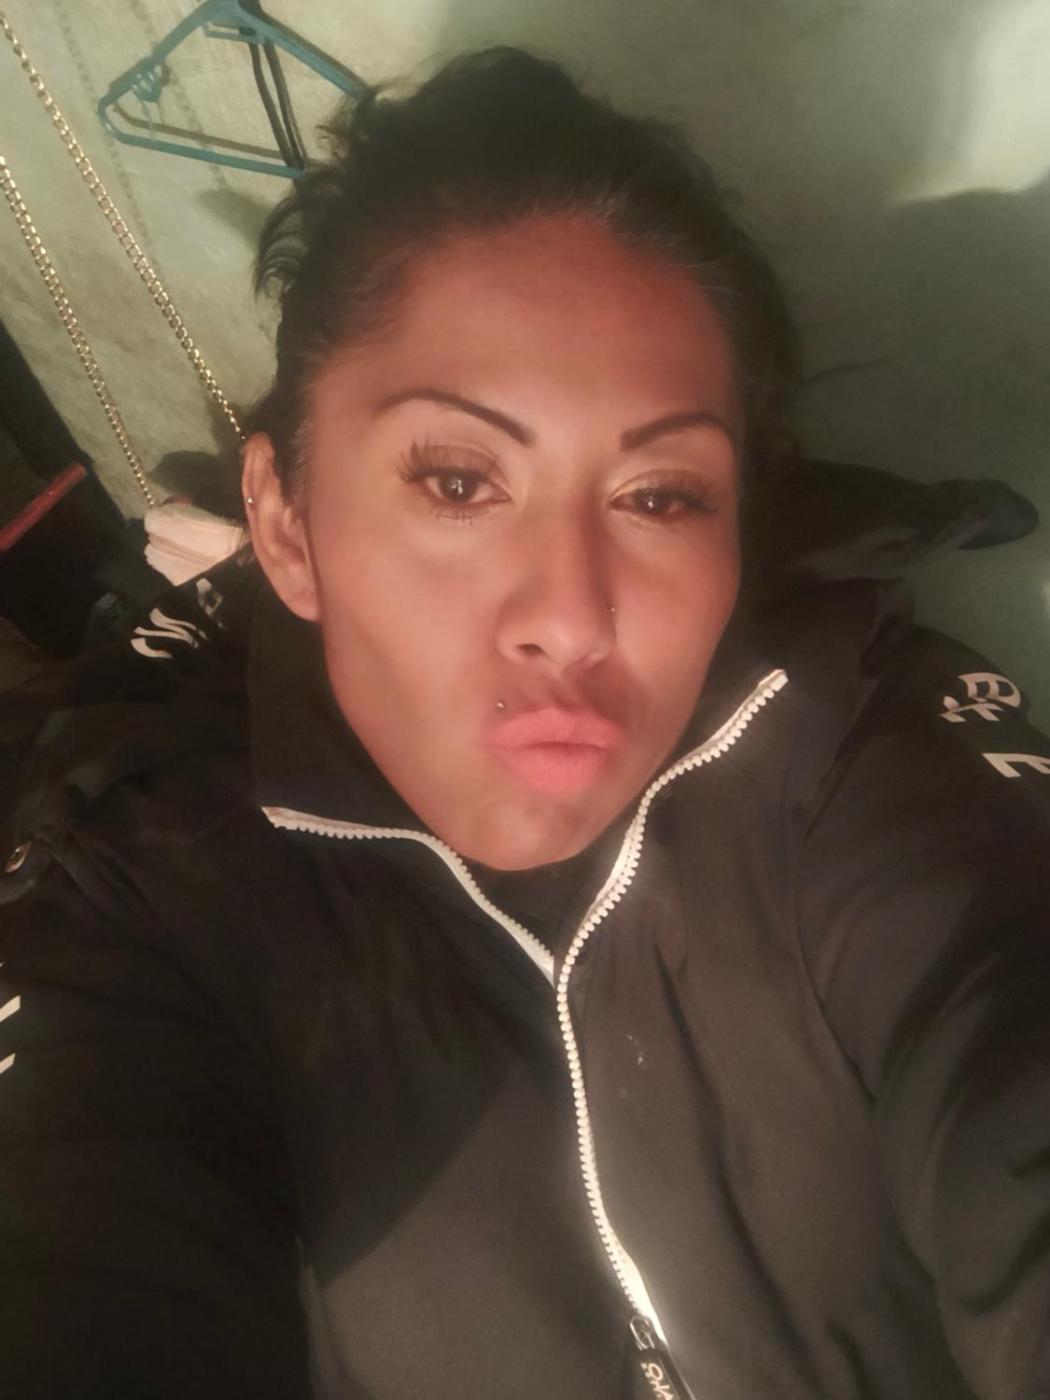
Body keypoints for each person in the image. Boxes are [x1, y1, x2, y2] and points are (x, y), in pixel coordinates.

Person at [1, 47, 1048, 1400]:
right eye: (457, 480)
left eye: (660, 497)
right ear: (284, 524)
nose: (570, 615)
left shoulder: (853, 748)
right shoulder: (147, 886)